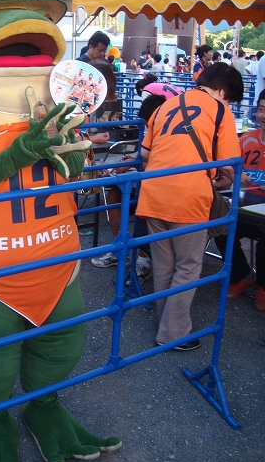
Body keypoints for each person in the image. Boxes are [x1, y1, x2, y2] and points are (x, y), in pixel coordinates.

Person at [136, 63, 244, 350]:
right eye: (230, 100)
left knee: (164, 265)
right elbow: (231, 165)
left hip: (153, 193)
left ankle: (167, 327)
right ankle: (173, 334)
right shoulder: (220, 110)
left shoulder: (165, 106)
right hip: (189, 197)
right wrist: (242, 178)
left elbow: (145, 154)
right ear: (224, 92)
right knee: (188, 267)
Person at [91, 95, 167, 282]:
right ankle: (120, 250)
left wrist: (133, 163)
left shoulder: (170, 133)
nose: (148, 128)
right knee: (114, 194)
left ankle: (143, 261)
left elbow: (162, 162)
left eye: (149, 124)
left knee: (142, 202)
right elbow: (147, 156)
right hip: (146, 181)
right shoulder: (154, 131)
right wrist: (133, 160)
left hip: (162, 188)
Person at [215, 89, 265, 311]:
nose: (264, 115)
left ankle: (263, 286)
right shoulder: (245, 140)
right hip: (247, 208)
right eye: (262, 109)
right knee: (220, 226)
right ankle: (242, 274)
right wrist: (217, 184)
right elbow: (232, 174)